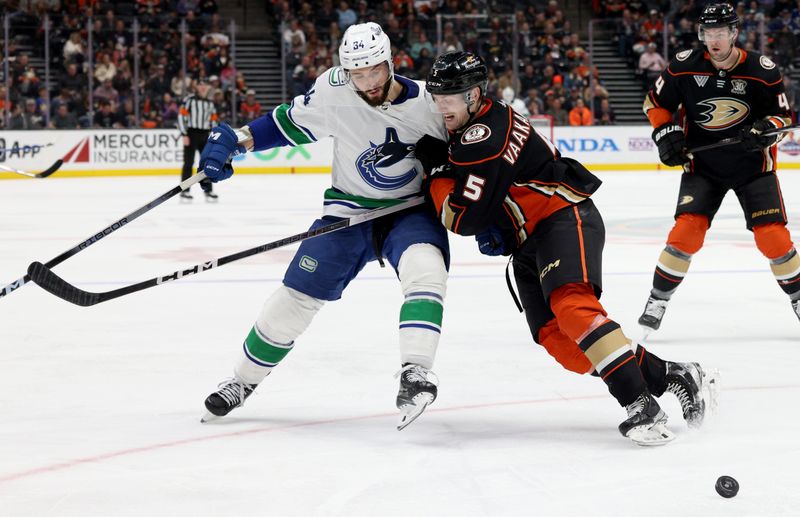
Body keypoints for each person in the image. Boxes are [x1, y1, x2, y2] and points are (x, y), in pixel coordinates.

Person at [416, 50, 717, 445]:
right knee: (560, 343)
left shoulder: (482, 134)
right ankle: (672, 374)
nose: (440, 105)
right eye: (437, 97)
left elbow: (461, 219)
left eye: (449, 97)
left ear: (474, 95)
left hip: (563, 216)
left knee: (572, 307)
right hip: (528, 241)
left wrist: (437, 176)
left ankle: (641, 405)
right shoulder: (474, 123)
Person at [196, 22, 450, 430]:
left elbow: (469, 159)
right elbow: (286, 124)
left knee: (426, 270)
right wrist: (235, 142)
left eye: (374, 71)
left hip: (410, 211)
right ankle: (241, 383)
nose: (366, 82)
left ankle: (415, 373)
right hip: (347, 213)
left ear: (390, 62)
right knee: (293, 299)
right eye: (357, 73)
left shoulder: (428, 105)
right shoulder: (334, 89)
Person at [639, 3, 800, 334]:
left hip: (753, 167)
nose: (713, 40)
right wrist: (664, 131)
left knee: (772, 237)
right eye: (707, 32)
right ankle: (658, 299)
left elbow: (785, 118)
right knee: (686, 232)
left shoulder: (762, 69)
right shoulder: (684, 66)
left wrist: (767, 127)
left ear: (734, 33)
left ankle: (798, 297)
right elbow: (655, 103)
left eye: (720, 33)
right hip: (703, 167)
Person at [178, 78, 219, 201]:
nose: (202, 87)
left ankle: (208, 190)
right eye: (200, 85)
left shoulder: (210, 103)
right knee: (188, 163)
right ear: (196, 87)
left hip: (205, 135)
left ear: (208, 87)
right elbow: (181, 116)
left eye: (205, 85)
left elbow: (214, 121)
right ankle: (185, 191)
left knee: (207, 164)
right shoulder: (189, 100)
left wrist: (213, 137)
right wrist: (184, 134)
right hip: (191, 133)